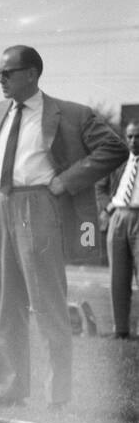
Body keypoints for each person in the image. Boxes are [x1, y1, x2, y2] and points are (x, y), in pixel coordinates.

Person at [0, 45, 127, 409]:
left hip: (40, 206)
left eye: (8, 73)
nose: (1, 80)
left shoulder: (73, 114)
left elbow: (114, 149)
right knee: (7, 305)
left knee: (47, 304)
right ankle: (11, 389)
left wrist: (66, 181)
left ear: (31, 73)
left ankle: (57, 398)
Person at [96, 119, 139, 339]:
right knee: (118, 277)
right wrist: (107, 207)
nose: (133, 141)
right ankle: (120, 329)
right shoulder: (119, 162)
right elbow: (100, 187)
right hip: (118, 217)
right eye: (130, 136)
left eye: (138, 136)